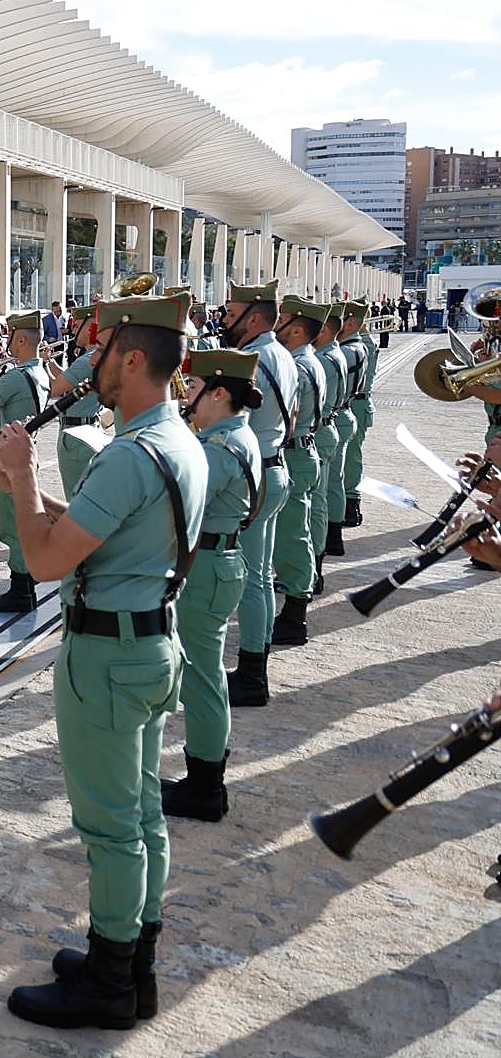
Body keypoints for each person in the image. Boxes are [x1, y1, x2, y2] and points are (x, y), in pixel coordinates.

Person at [0, 290, 205, 1031]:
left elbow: (46, 562)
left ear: (131, 358)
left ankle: (110, 982)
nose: (88, 367)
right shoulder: (175, 440)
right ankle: (132, 963)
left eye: (98, 352)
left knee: (110, 829)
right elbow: (96, 530)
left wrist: (20, 481)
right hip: (149, 644)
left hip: (107, 657)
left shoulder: (128, 455)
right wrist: (30, 490)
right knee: (141, 815)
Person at [161, 348, 262, 823]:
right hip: (216, 560)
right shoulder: (235, 435)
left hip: (207, 566)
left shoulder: (220, 448)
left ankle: (205, 787)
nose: (188, 397)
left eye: (196, 388)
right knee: (204, 674)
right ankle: (204, 779)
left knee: (201, 679)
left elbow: (174, 500)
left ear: (219, 393)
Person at [218, 282, 296, 707]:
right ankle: (255, 665)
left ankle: (252, 674)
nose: (225, 319)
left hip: (256, 477)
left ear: (254, 318)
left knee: (250, 578)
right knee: (261, 576)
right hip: (274, 465)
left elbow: (228, 420)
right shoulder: (282, 354)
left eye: (232, 313)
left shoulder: (252, 360)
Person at [260, 297, 330, 674]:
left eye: (283, 320)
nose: (277, 326)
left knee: (291, 535)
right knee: (295, 529)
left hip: (296, 453)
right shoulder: (308, 360)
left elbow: (288, 417)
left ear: (298, 329)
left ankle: (294, 615)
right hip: (304, 451)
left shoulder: (299, 366)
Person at [0, 313, 50, 612]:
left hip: (8, 459)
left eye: (9, 336)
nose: (6, 341)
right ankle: (26, 583)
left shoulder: (15, 376)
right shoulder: (40, 372)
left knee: (12, 526)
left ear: (21, 340)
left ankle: (21, 589)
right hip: (26, 453)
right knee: (22, 518)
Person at [309, 303, 350, 592]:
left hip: (321, 428)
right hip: (330, 424)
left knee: (315, 504)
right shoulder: (334, 353)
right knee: (325, 494)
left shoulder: (323, 359)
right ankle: (319, 557)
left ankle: (314, 566)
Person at [45, 304, 102, 496]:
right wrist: (49, 361)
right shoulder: (92, 357)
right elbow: (68, 377)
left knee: (75, 497)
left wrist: (38, 363)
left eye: (76, 326)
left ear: (90, 327)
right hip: (87, 429)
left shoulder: (87, 360)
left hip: (76, 436)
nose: (73, 331)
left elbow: (54, 389)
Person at [337, 300, 376, 528]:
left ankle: (351, 503)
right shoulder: (359, 341)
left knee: (351, 457)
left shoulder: (360, 344)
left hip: (356, 403)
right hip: (357, 403)